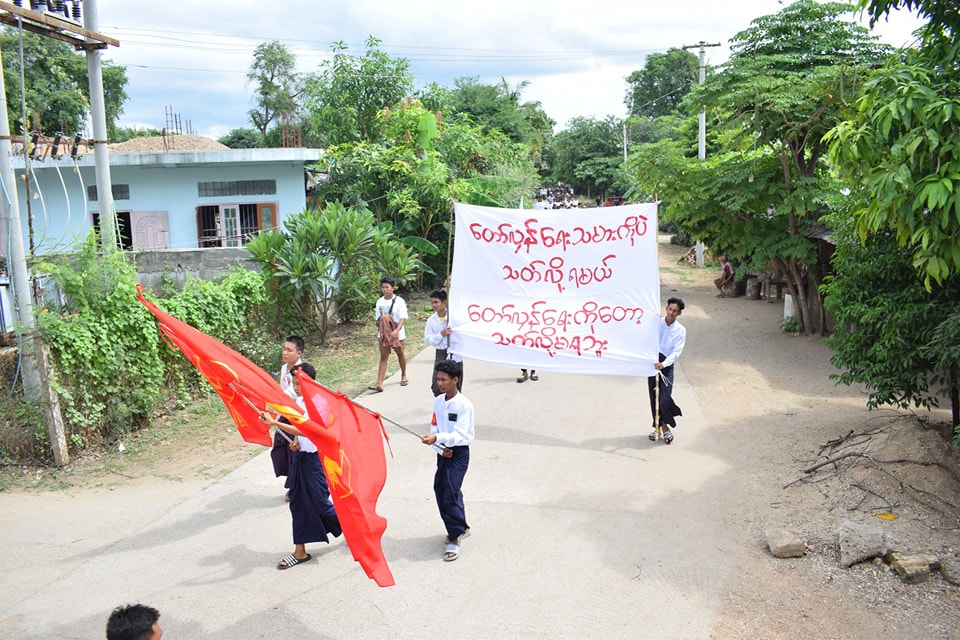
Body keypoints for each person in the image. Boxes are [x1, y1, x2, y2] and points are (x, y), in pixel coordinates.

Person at [260, 362, 342, 570]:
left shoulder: (319, 403)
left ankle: (353, 526)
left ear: (311, 382)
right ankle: (300, 551)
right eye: (295, 383)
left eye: (300, 383)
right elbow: (300, 432)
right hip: (301, 459)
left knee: (321, 504)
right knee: (297, 504)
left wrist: (275, 423)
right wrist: (296, 443)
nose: (297, 387)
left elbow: (309, 431)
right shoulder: (300, 401)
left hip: (315, 462)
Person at [421, 359, 474, 562]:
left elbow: (462, 435)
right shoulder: (438, 402)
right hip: (443, 452)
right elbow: (435, 427)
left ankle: (454, 537)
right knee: (441, 488)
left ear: (455, 380)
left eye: (444, 379)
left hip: (458, 454)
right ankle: (462, 526)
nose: (440, 383)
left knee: (449, 493)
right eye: (438, 379)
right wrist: (438, 446)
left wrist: (439, 439)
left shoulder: (464, 406)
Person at [648, 297, 686, 445]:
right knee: (654, 396)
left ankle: (663, 424)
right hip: (652, 362)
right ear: (666, 308)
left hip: (666, 365)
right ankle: (661, 427)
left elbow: (676, 352)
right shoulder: (656, 323)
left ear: (679, 313)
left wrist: (663, 364)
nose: (671, 312)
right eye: (670, 309)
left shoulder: (681, 330)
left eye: (675, 311)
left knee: (664, 397)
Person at [271, 335, 303, 501]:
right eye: (284, 349)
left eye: (289, 350)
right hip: (286, 411)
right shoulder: (284, 369)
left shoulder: (301, 370)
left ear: (298, 353)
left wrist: (275, 398)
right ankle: (292, 481)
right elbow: (282, 389)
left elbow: (292, 393)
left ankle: (294, 486)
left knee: (294, 448)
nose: (285, 352)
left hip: (299, 413)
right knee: (280, 445)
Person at [369, 276, 408, 392]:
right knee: (383, 357)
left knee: (400, 353)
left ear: (393, 288)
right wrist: (381, 333)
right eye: (383, 287)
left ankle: (404, 375)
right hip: (383, 334)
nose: (385, 289)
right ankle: (379, 383)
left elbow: (403, 318)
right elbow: (378, 319)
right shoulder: (379, 302)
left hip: (397, 333)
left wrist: (396, 331)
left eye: (387, 287)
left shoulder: (399, 301)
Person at [423, 289, 463, 396]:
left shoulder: (453, 318)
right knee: (437, 385)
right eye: (432, 302)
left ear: (444, 303)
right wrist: (441, 334)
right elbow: (427, 339)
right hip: (441, 352)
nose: (434, 305)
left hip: (454, 353)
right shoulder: (431, 320)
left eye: (436, 302)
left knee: (455, 383)